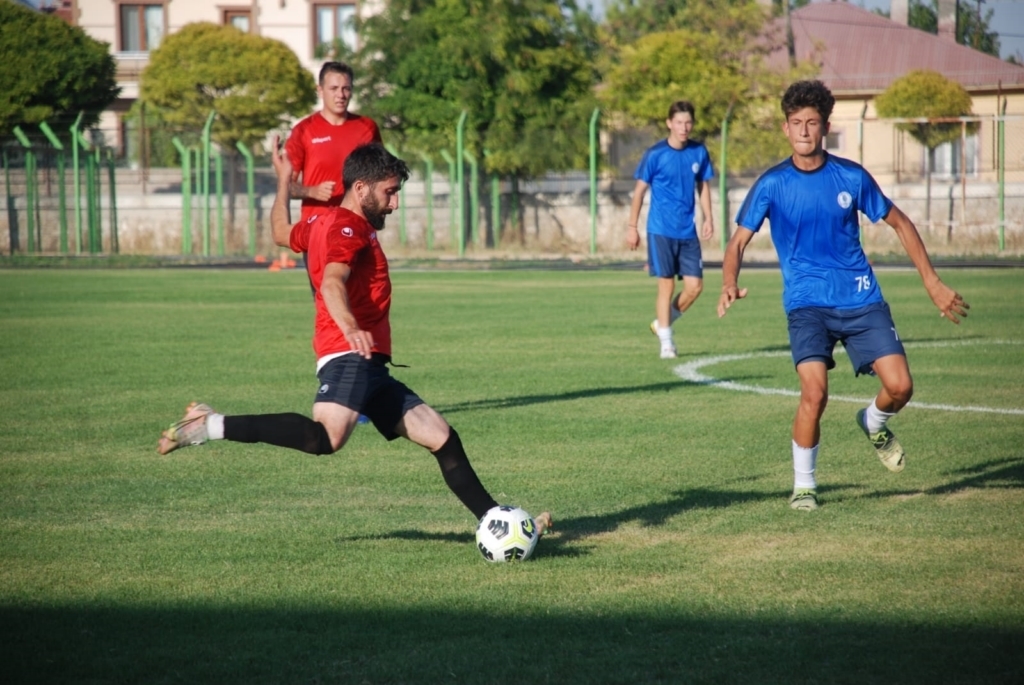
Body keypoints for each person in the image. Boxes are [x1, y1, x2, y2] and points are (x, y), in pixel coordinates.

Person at [158, 140, 551, 533]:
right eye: (390, 192)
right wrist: (350, 328)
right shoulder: (348, 228)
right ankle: (210, 425)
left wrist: (283, 180)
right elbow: (332, 282)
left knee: (442, 437)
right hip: (349, 353)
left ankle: (498, 524)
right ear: (361, 188)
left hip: (371, 364)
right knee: (324, 438)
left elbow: (280, 231)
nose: (394, 204)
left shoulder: (319, 222)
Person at [717, 80, 969, 511]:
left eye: (812, 123)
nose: (803, 131)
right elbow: (737, 243)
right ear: (785, 128)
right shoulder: (772, 184)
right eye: (796, 123)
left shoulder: (850, 176)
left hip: (860, 299)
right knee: (814, 393)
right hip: (807, 305)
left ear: (825, 127)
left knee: (901, 386)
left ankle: (873, 420)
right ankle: (804, 486)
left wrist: (932, 282)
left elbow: (902, 223)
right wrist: (728, 282)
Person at [627, 101, 715, 359]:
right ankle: (667, 343)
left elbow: (704, 187)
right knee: (665, 287)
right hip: (660, 230)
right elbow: (639, 192)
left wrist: (708, 217)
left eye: (688, 122)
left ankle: (662, 324)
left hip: (687, 231)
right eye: (679, 122)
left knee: (695, 287)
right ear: (669, 124)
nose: (684, 127)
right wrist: (632, 227)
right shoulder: (655, 154)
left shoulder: (699, 151)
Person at [286, 61, 382, 222]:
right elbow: (285, 186)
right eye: (334, 88)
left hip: (357, 225)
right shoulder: (303, 131)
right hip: (317, 227)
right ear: (320, 90)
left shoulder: (367, 128)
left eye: (346, 88)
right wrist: (311, 191)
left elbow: (381, 177)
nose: (341, 95)